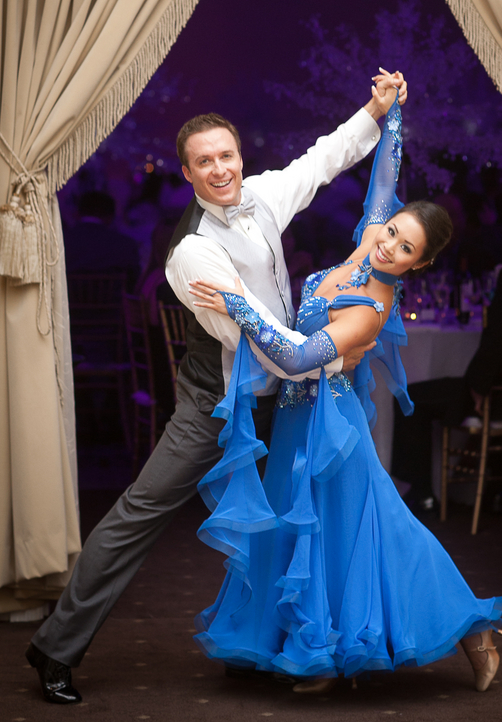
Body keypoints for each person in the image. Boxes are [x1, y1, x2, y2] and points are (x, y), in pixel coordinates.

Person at [26, 77, 404, 705]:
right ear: (187, 174)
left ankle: (254, 645)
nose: (221, 168)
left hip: (281, 395)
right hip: (221, 400)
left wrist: (375, 111)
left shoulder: (258, 197)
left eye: (227, 155)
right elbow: (265, 349)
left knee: (280, 520)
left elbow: (322, 159)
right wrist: (335, 352)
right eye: (206, 161)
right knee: (141, 512)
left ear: (238, 157)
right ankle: (56, 646)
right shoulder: (192, 254)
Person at [187, 78, 502, 695]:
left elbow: (300, 354)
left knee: (377, 529)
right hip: (298, 421)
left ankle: (464, 629)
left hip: (334, 426)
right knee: (298, 529)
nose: (387, 244)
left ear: (419, 264)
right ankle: (303, 640)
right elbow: (383, 185)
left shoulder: (371, 308)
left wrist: (239, 305)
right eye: (390, 233)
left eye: (403, 247)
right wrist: (393, 116)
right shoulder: (368, 243)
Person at [391, 203, 502, 510]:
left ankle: (422, 492)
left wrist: (479, 385)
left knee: (409, 399)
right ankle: (489, 491)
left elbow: (499, 337)